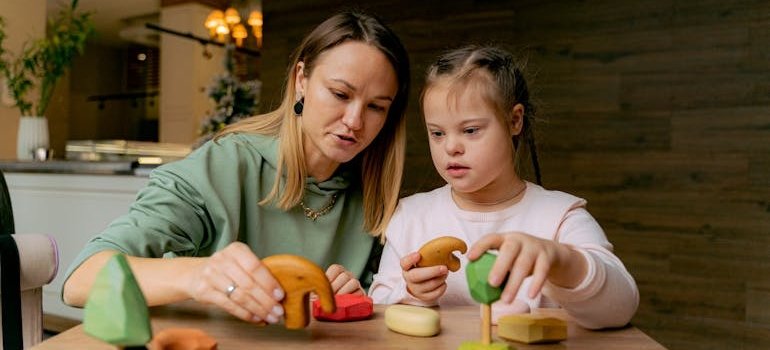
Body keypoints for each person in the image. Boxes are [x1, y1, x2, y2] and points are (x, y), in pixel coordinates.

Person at [62, 11, 410, 326]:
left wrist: (353, 296)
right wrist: (198, 276)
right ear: (301, 79)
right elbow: (81, 280)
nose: (354, 121)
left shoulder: (376, 196)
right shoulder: (223, 166)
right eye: (339, 94)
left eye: (376, 107)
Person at [368, 45, 638, 329]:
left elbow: (621, 309)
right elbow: (379, 307)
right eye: (437, 133)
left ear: (514, 120)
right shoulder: (411, 216)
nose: (451, 147)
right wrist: (411, 294)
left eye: (470, 130)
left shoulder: (560, 217)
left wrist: (563, 261)